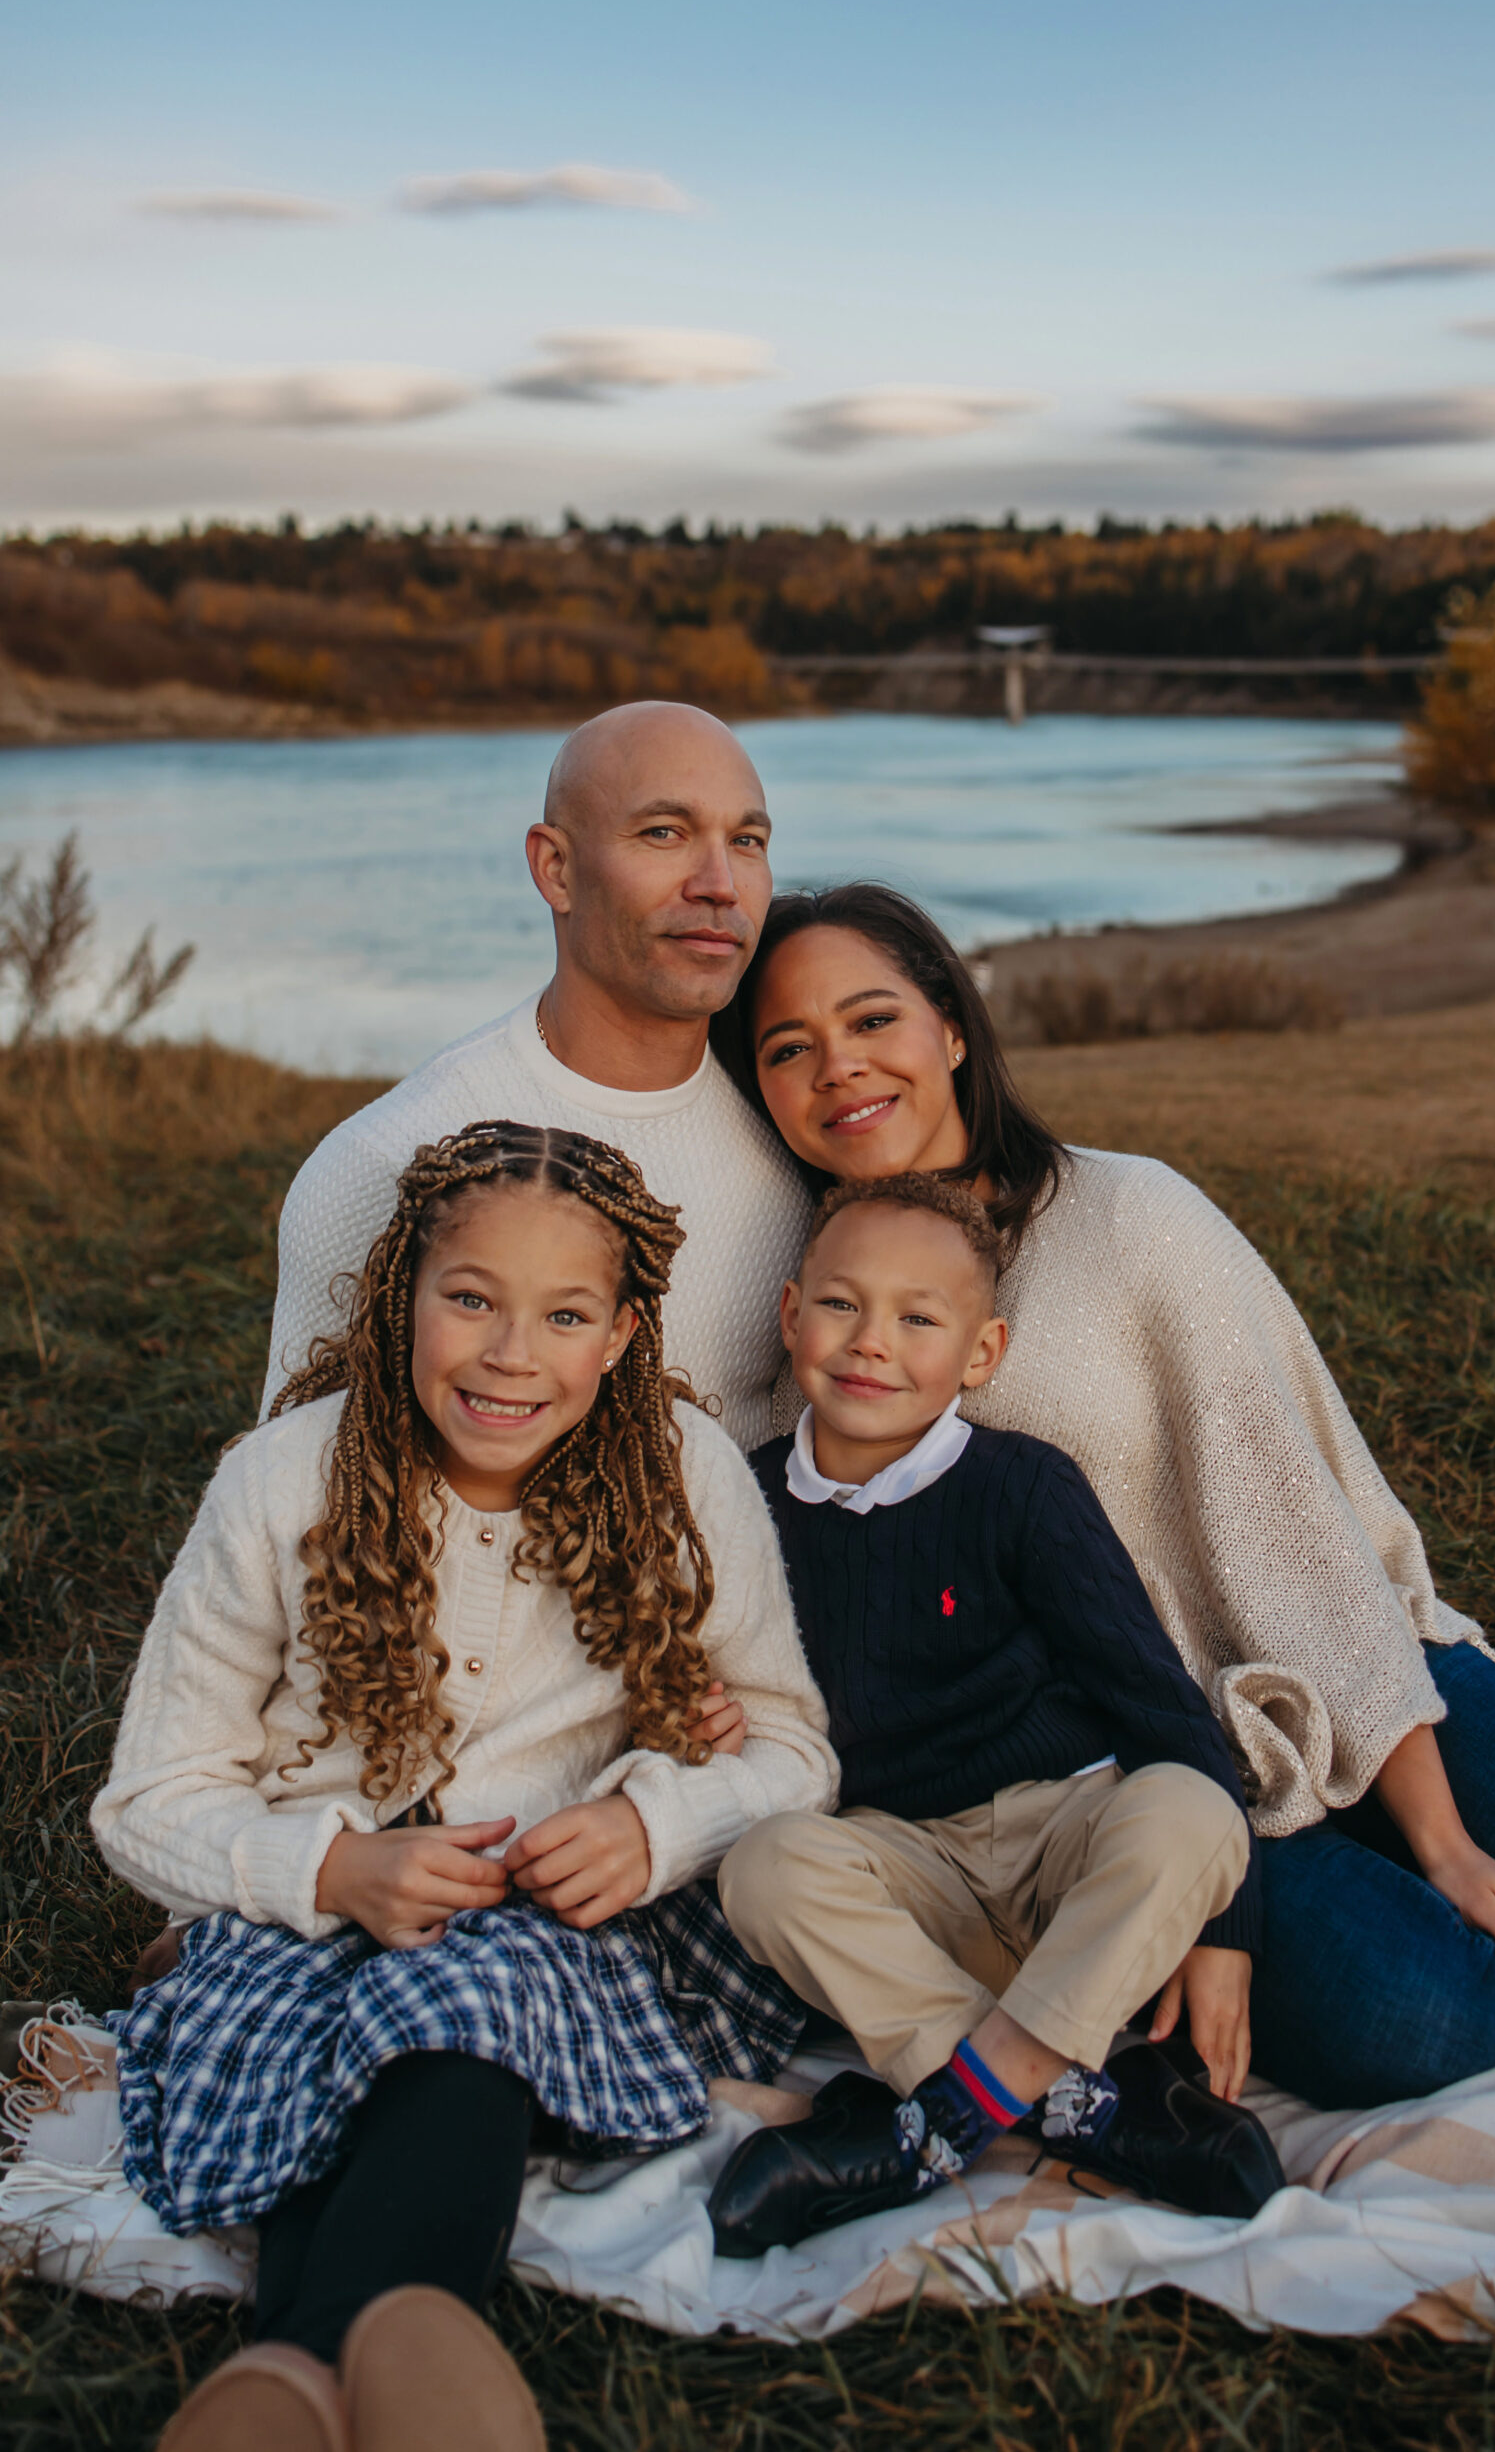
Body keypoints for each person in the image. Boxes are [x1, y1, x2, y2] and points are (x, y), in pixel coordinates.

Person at [710, 882, 1495, 2113]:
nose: (840, 1070)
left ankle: (1467, 1803)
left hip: (1347, 1679)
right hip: (1124, 1781)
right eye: (788, 1048)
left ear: (952, 1027)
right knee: (1430, 2020)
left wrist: (1447, 1841)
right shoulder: (821, 1315)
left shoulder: (1131, 1215)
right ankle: (1349, 1882)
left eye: (872, 1020)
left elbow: (1299, 1535)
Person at [92, 1121, 835, 2451]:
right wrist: (322, 1870)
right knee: (339, 2046)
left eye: (563, 1316)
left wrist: (650, 1822)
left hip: (548, 1926)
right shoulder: (278, 1482)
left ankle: (297, 2373)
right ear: (400, 1297)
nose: (509, 1355)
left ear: (618, 1338)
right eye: (472, 1300)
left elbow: (790, 1745)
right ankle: (392, 2362)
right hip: (300, 1917)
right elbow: (146, 1797)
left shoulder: (685, 1478)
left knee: (460, 2015)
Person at [708, 1175, 1284, 2256]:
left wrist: (1224, 1929)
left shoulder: (1023, 1488)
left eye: (919, 1318)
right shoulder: (745, 1504)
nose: (872, 1341)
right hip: (908, 1868)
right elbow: (734, 1682)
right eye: (842, 1305)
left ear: (981, 1353)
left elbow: (1159, 1703)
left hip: (1060, 1842)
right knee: (768, 1865)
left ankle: (949, 2114)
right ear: (791, 1315)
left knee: (1190, 1809)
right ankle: (1074, 2099)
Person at [263, 700, 809, 1449]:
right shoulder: (387, 1159)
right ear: (556, 869)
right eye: (663, 833)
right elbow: (294, 1501)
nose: (720, 883)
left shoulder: (801, 1139)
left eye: (746, 840)